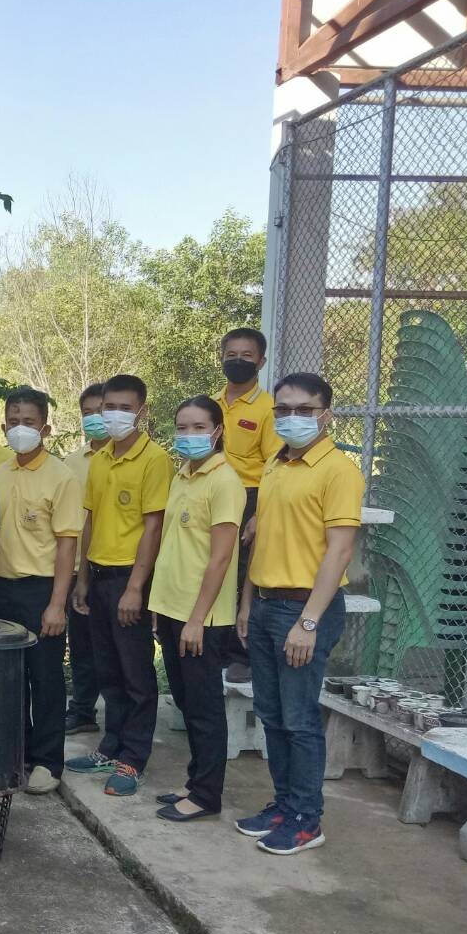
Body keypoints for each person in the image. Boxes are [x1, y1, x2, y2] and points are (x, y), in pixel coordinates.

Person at [235, 373, 363, 855]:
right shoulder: (274, 463)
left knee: (300, 718)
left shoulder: (338, 470)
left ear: (326, 414)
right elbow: (261, 538)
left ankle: (308, 818)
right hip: (267, 603)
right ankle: (285, 805)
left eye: (303, 410)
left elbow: (339, 552)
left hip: (306, 608)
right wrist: (247, 602)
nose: (291, 418)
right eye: (283, 409)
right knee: (271, 713)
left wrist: (308, 622)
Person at [66, 373, 171, 797]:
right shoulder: (102, 458)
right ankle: (110, 746)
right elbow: (90, 519)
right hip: (98, 576)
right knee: (107, 669)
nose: (115, 415)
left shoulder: (154, 460)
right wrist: (83, 578)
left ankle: (133, 758)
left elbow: (153, 527)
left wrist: (135, 588)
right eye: (110, 406)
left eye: (125, 408)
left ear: (142, 412)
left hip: (131, 579)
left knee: (136, 675)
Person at [149, 396, 245, 823]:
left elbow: (221, 558)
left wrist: (194, 618)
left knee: (204, 707)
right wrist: (160, 606)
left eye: (198, 427)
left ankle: (207, 795)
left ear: (218, 431)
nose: (189, 436)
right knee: (187, 702)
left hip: (201, 617)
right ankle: (194, 782)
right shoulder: (183, 476)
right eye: (182, 427)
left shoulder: (225, 481)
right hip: (170, 608)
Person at [0, 387, 84, 795]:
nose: (20, 428)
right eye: (13, 421)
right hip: (4, 591)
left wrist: (57, 604)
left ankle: (48, 762)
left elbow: (67, 544)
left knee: (44, 678)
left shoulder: (61, 477)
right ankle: (17, 752)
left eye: (29, 422)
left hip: (43, 590)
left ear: (45, 426)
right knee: (10, 679)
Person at [215, 329, 281, 685]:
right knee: (215, 569)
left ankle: (242, 655)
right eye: (231, 353)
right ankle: (217, 648)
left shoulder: (268, 408)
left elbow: (275, 464)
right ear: (221, 356)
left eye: (246, 355)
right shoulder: (212, 403)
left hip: (249, 496)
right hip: (212, 494)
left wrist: (259, 513)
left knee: (243, 576)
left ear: (261, 361)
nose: (237, 361)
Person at [64, 384, 109, 737]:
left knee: (110, 645)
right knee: (80, 644)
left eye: (102, 410)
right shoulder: (71, 463)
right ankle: (82, 710)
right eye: (88, 413)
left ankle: (120, 718)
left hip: (113, 566)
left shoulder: (131, 459)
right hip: (76, 566)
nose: (95, 419)